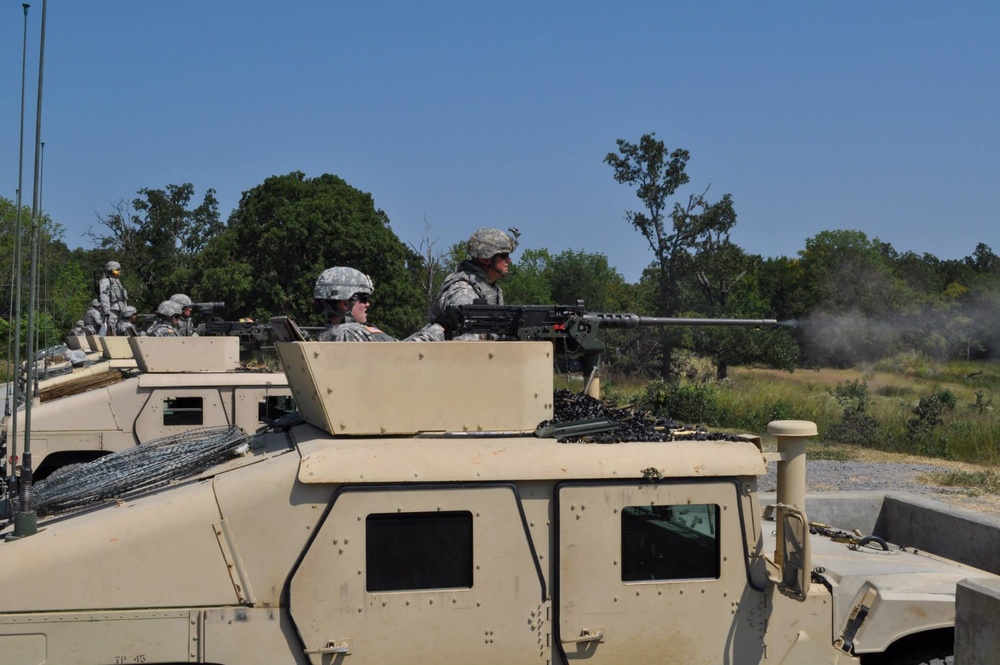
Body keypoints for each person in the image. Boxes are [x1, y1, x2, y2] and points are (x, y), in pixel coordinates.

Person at [430, 227, 519, 340]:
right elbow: (467, 342)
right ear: (486, 259)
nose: (509, 261)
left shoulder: (492, 289)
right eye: (504, 255)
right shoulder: (463, 290)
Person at [313, 267, 397, 342]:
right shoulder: (352, 332)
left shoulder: (324, 334)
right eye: (364, 299)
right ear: (345, 304)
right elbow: (402, 349)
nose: (367, 304)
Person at [98, 260, 129, 336]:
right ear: (112, 271)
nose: (119, 272)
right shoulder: (106, 281)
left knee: (119, 328)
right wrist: (106, 311)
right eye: (117, 270)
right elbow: (104, 296)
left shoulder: (117, 281)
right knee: (111, 328)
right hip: (111, 310)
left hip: (120, 309)